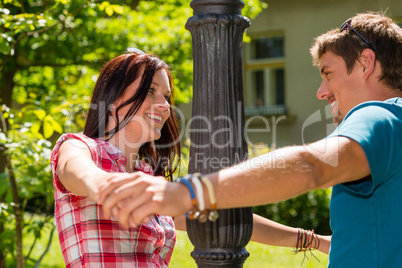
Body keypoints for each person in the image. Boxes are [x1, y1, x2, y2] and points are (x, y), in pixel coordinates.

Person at [97, 11, 402, 267]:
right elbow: (210, 218)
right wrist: (316, 240)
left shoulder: (377, 118)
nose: (321, 92)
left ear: (366, 63)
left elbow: (311, 166)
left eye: (328, 73)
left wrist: (186, 191)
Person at [50, 49, 181, 267]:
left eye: (166, 96)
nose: (166, 105)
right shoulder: (81, 147)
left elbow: (213, 218)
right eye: (150, 90)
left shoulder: (145, 177)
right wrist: (107, 185)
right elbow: (75, 169)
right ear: (112, 99)